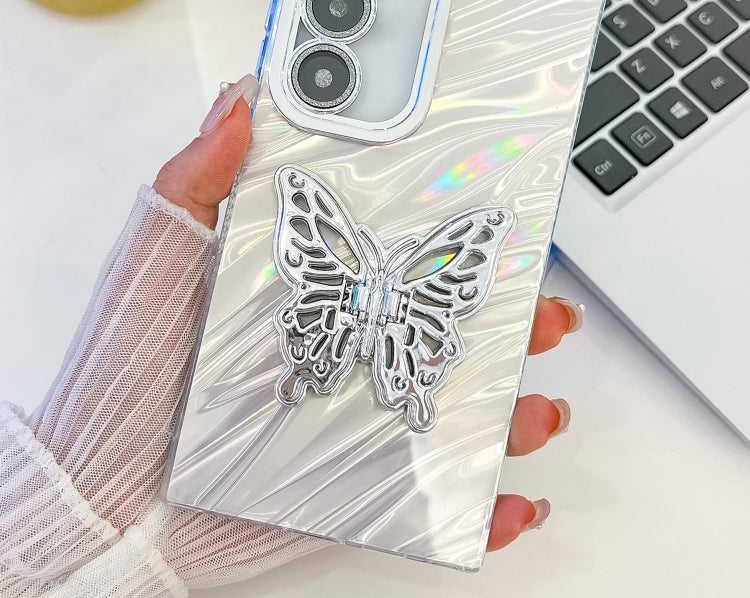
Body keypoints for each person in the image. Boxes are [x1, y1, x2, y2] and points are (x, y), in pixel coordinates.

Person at [0, 75, 583, 597]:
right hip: (393, 320)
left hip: (328, 313)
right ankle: (404, 392)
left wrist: (84, 487)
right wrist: (106, 507)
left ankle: (358, 384)